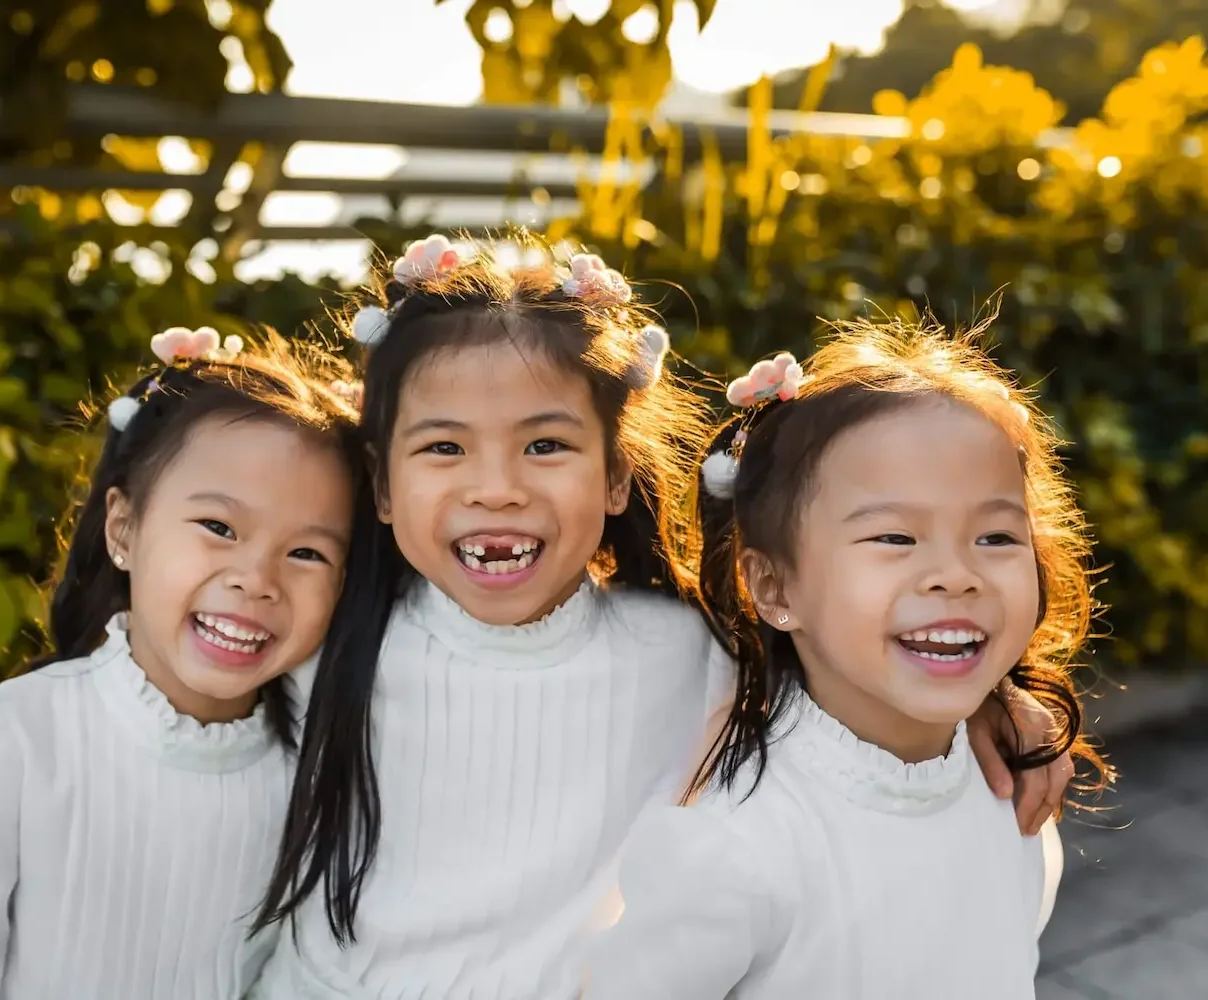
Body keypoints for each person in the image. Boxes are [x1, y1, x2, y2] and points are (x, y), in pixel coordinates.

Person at [248, 235, 1077, 1000]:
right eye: (443, 447)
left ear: (616, 475)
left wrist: (995, 701)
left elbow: (847, 672)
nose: (494, 487)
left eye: (545, 446)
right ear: (383, 486)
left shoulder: (689, 651)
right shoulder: (326, 641)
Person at [584, 318, 1112, 999]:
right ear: (773, 586)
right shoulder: (736, 849)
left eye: (995, 536)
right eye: (895, 536)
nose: (955, 574)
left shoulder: (1009, 786)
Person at [0, 329, 359, 1000]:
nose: (257, 579)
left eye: (308, 553)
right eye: (219, 527)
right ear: (123, 529)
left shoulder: (316, 769)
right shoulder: (11, 740)